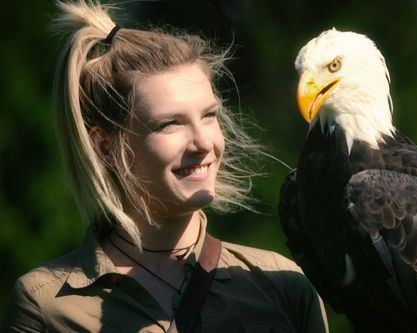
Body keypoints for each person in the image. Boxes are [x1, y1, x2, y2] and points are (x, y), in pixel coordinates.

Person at [0, 1, 329, 332]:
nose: (203, 143)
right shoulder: (45, 306)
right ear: (105, 146)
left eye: (209, 116)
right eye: (170, 124)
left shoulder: (283, 286)